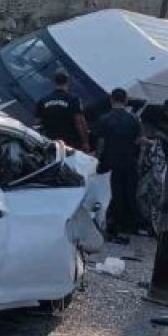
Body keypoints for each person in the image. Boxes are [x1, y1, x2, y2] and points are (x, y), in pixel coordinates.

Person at [93, 88, 152, 241]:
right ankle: (123, 224)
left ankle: (106, 222)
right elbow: (139, 140)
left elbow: (101, 142)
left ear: (111, 99)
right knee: (125, 194)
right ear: (126, 100)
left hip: (108, 163)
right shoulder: (134, 120)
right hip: (128, 163)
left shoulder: (104, 119)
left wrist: (97, 160)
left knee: (108, 193)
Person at [35, 72, 91, 150]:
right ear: (67, 82)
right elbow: (80, 122)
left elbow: (37, 123)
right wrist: (85, 142)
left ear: (54, 82)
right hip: (69, 144)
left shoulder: (43, 100)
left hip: (49, 141)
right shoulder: (73, 100)